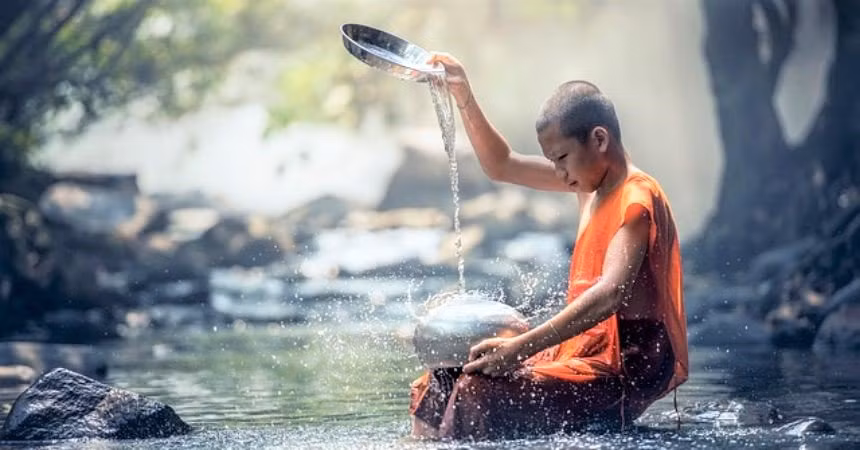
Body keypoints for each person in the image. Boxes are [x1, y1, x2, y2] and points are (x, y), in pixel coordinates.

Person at [408, 52, 689, 440]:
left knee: (476, 390)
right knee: (440, 378)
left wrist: (519, 348)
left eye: (561, 159)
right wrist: (463, 95)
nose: (559, 174)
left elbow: (610, 294)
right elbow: (501, 165)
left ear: (599, 139)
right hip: (580, 352)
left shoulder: (635, 197)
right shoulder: (588, 181)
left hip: (621, 370)